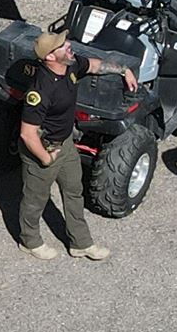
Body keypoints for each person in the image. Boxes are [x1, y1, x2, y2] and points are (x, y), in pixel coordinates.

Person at [13, 30, 136, 262]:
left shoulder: (69, 66)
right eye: (62, 45)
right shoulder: (40, 91)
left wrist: (123, 70)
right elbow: (28, 134)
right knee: (35, 199)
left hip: (66, 143)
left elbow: (93, 65)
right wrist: (46, 158)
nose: (68, 45)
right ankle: (30, 241)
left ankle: (81, 243)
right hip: (44, 149)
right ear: (50, 57)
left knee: (73, 192)